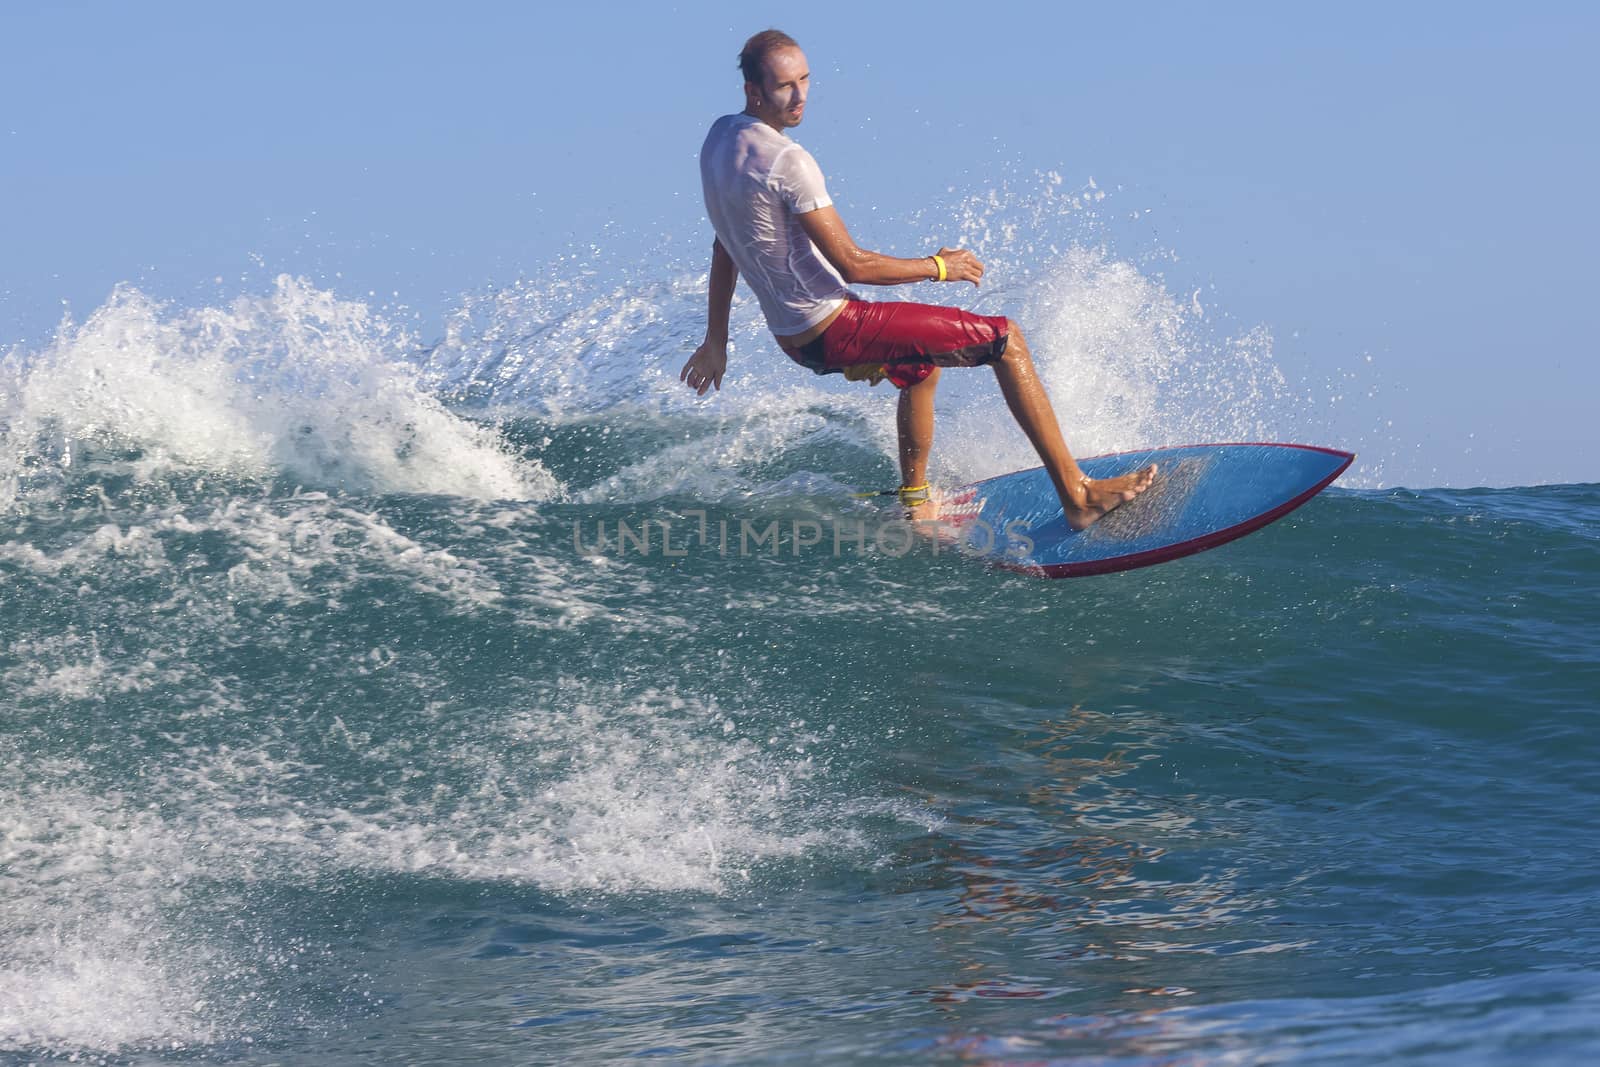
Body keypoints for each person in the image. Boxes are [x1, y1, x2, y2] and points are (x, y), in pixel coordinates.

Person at [681, 29, 1155, 529]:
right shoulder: (788, 162)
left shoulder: (719, 142)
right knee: (1006, 340)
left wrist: (717, 341)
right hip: (834, 324)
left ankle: (915, 500)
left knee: (921, 367)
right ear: (753, 91)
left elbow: (724, 243)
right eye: (784, 87)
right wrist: (939, 266)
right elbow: (853, 265)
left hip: (795, 339)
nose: (800, 97)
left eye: (805, 81)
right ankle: (1077, 495)